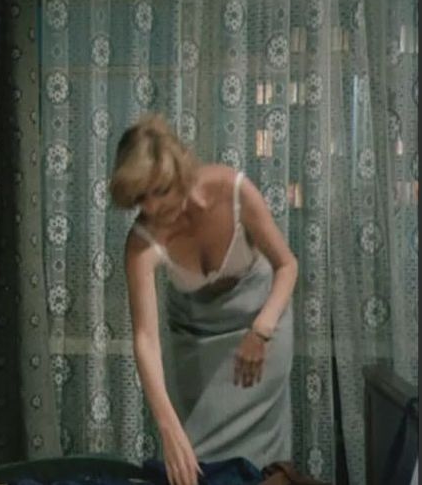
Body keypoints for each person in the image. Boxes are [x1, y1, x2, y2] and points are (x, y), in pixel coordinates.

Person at [109, 115, 297, 485]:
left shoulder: (232, 190)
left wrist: (261, 331)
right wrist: (167, 427)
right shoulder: (142, 240)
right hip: (196, 343)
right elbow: (145, 338)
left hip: (262, 327)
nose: (152, 207)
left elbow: (287, 265)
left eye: (161, 190)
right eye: (141, 197)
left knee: (261, 467)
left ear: (180, 171)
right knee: (195, 458)